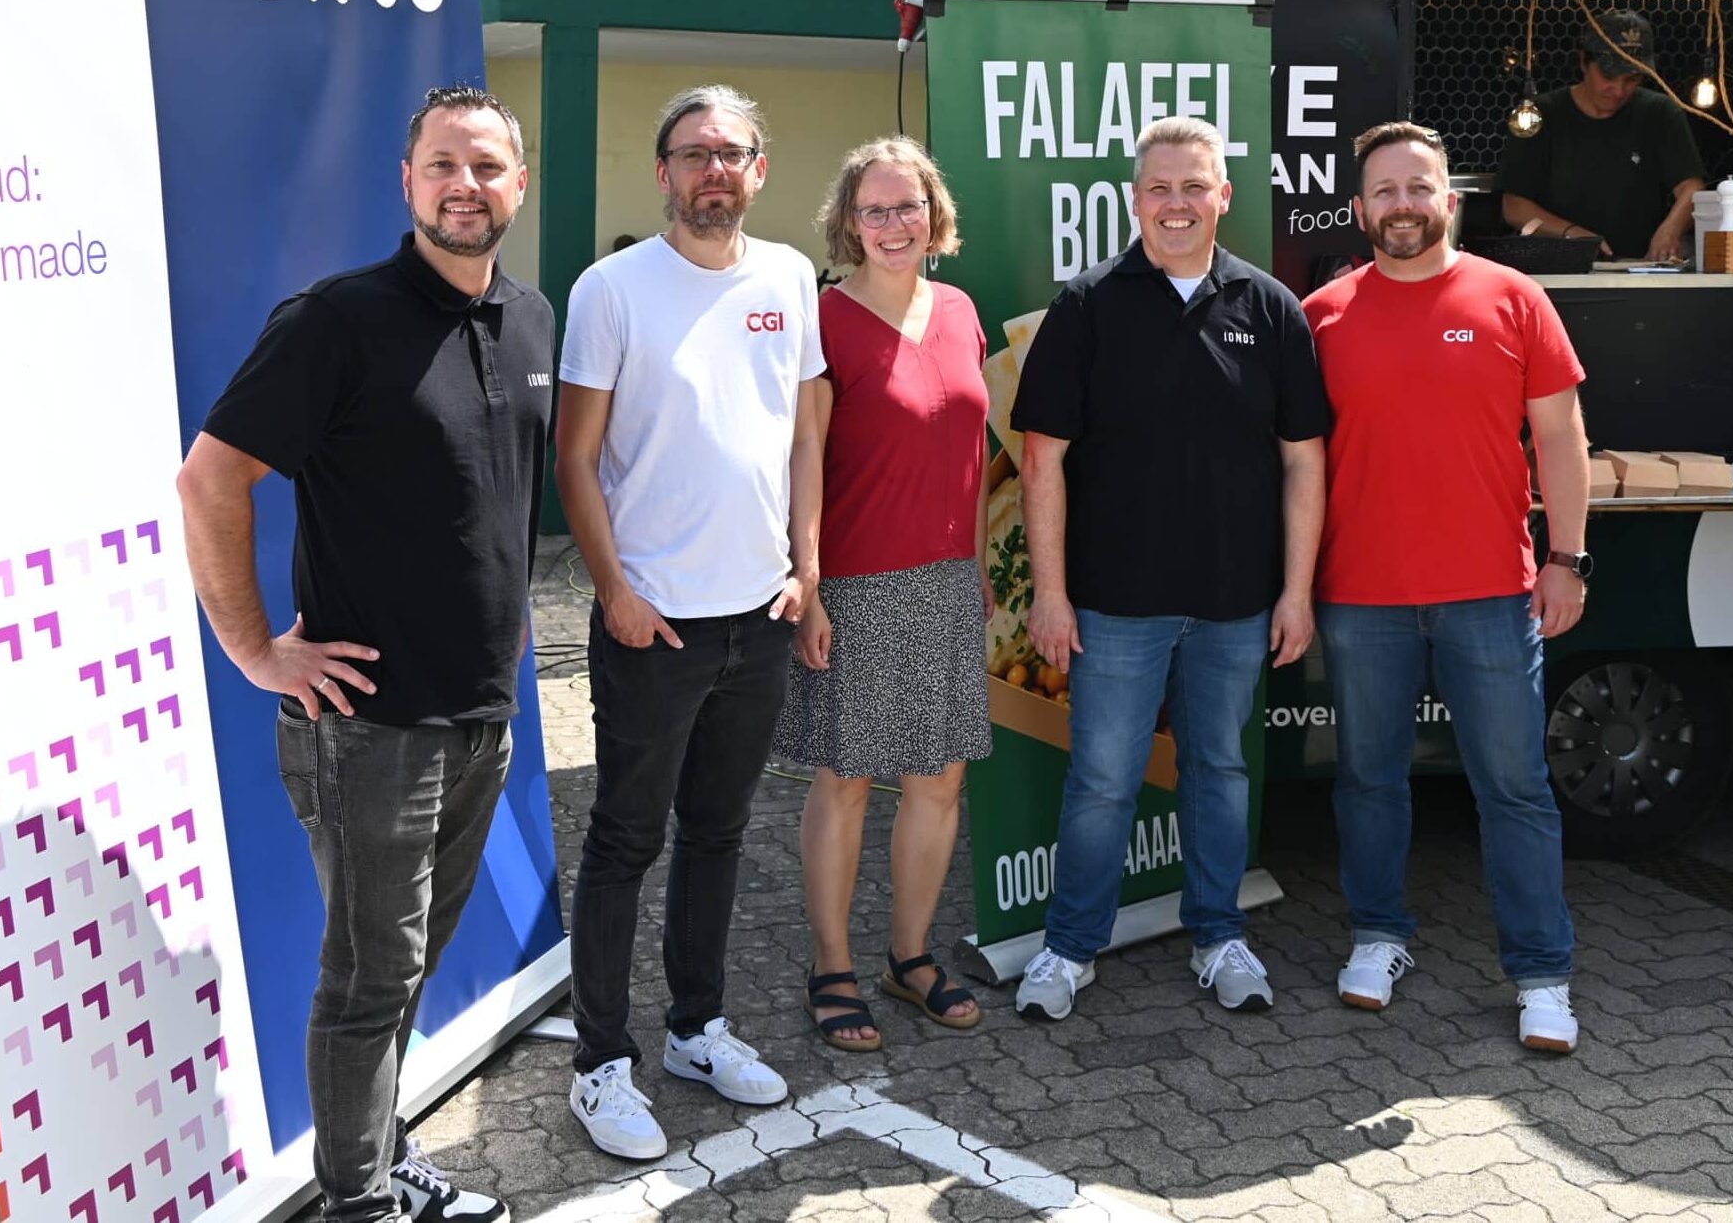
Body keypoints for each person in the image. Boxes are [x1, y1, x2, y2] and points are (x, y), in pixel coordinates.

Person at [176, 87, 547, 1223]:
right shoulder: (339, 319)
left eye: (487, 166)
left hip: (482, 711)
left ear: (518, 185)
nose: (464, 185)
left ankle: (377, 1162)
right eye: (443, 164)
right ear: (407, 181)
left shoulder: (531, 319)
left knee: (406, 968)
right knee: (366, 981)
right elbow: (210, 477)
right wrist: (253, 650)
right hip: (370, 729)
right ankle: (359, 1204)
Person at [554, 84, 826, 1160]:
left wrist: (807, 571)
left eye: (734, 152)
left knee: (719, 832)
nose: (716, 169)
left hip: (759, 614)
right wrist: (614, 587)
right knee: (625, 838)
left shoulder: (791, 277)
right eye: (695, 152)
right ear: (663, 172)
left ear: (760, 170)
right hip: (652, 623)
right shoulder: (612, 288)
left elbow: (805, 436)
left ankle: (697, 1029)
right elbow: (574, 457)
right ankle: (600, 1063)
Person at [1010, 115, 1329, 1022]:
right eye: (1160, 187)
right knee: (1104, 780)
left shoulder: (1270, 308)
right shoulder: (1086, 306)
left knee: (1220, 773)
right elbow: (1042, 462)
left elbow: (1305, 459)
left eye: (1195, 186)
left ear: (1224, 195)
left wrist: (1297, 591)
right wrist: (1053, 594)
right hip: (1115, 606)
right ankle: (1069, 950)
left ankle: (1219, 935)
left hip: (1236, 605)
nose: (1177, 204)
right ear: (1135, 198)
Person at [1306, 120, 1592, 1055]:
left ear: (1450, 201)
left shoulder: (1514, 299)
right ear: (1360, 209)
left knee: (1514, 789)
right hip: (1360, 594)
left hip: (1492, 594)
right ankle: (1380, 936)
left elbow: (1561, 439)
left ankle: (1543, 975)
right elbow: (1294, 464)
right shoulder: (1323, 316)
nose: (1402, 205)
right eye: (1384, 191)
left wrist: (1567, 557)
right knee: (1368, 781)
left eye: (1418, 187)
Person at [777, 136, 992, 1053]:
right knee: (848, 780)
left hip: (949, 584)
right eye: (876, 209)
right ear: (848, 223)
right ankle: (832, 966)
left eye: (909, 206)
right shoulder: (825, 320)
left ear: (934, 215)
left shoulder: (960, 309)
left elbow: (978, 459)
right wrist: (810, 586)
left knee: (938, 784)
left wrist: (979, 567)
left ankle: (909, 959)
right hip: (858, 586)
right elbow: (805, 463)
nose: (894, 224)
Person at [1497, 10, 1708, 263]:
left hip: (1640, 267)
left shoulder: (1660, 112)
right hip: (1556, 269)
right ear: (1583, 62)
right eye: (1608, 76)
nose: (1618, 90)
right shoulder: (1538, 114)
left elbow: (1692, 188)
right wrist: (1573, 235)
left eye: (1632, 78)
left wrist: (1671, 229)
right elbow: (1514, 207)